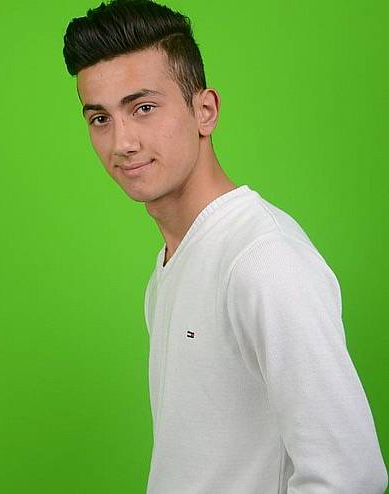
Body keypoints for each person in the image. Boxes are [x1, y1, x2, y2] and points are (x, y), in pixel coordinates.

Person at [62, 1, 388, 492]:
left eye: (143, 108)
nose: (121, 142)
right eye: (100, 118)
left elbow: (350, 474)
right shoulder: (175, 261)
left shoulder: (264, 260)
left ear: (205, 111)